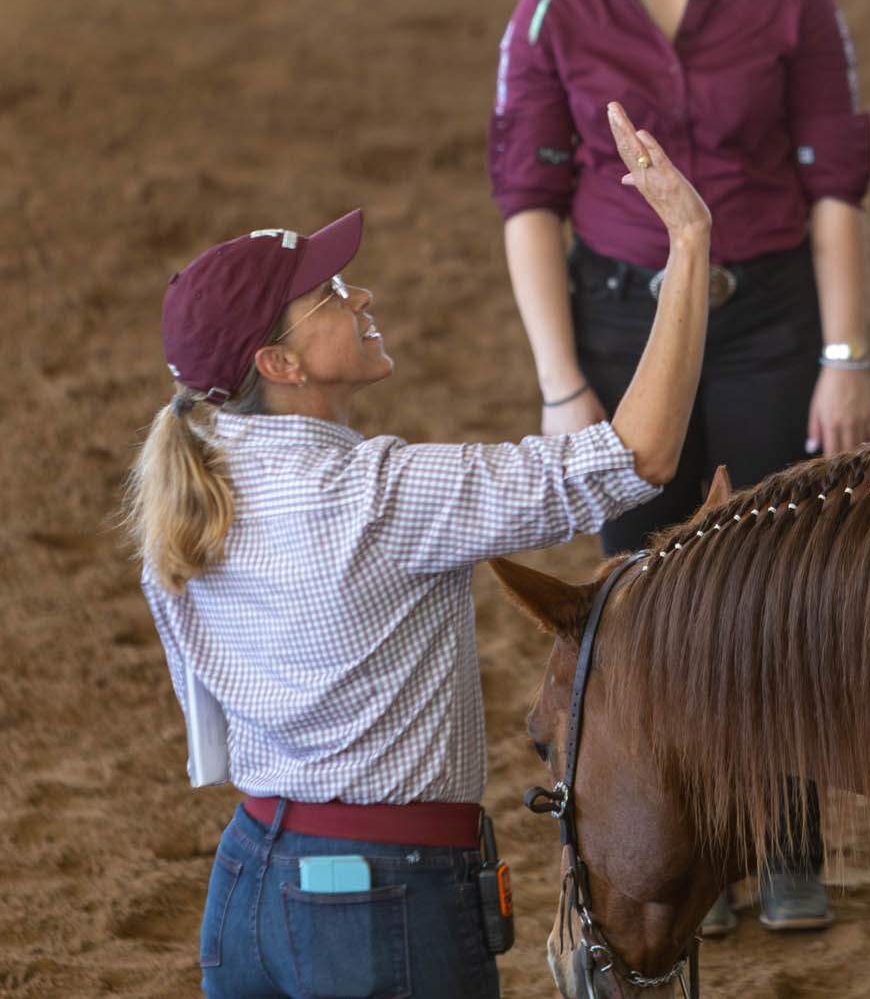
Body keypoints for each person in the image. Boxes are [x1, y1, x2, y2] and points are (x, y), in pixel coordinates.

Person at [127, 106, 710, 998]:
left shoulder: (184, 505)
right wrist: (689, 246)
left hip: (248, 880)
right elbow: (637, 458)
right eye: (329, 297)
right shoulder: (377, 494)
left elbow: (209, 728)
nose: (362, 298)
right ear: (277, 366)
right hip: (380, 896)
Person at [488, 0, 870, 933]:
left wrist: (842, 353)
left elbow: (835, 186)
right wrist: (562, 386)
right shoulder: (554, 9)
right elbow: (526, 201)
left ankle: (789, 836)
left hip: (765, 318)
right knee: (640, 588)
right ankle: (685, 840)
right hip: (619, 320)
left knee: (782, 568)